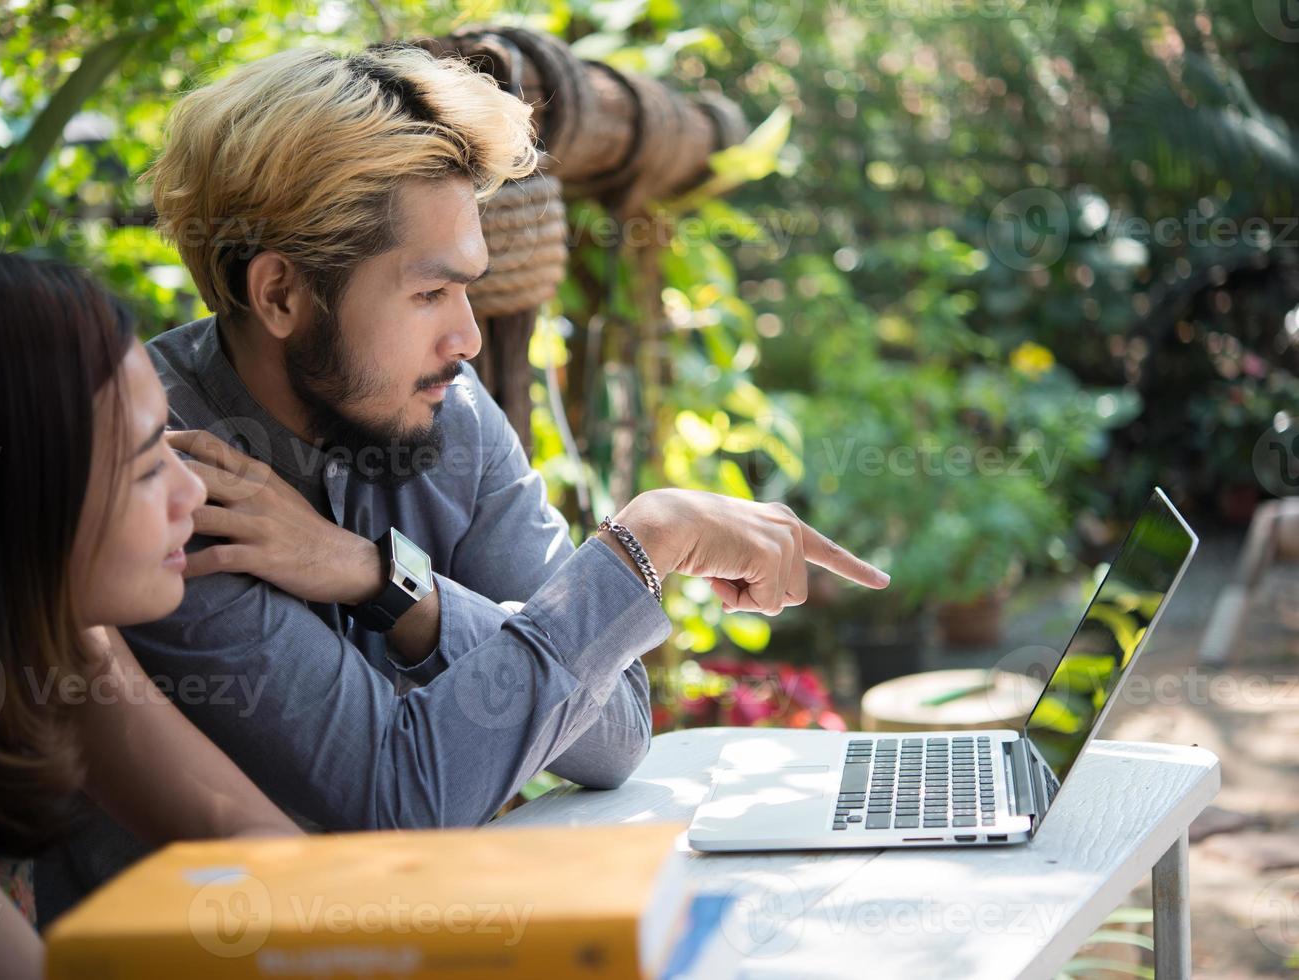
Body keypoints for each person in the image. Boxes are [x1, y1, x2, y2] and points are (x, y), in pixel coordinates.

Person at [45, 42, 890, 911]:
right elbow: (404, 795)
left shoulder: (446, 411)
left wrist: (382, 578)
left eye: (468, 291)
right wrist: (651, 542)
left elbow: (615, 734)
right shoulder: (167, 478)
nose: (468, 339)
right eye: (426, 295)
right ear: (282, 297)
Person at [0, 253, 300, 980]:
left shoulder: (45, 624)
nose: (190, 494)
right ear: (8, 502)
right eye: (146, 468)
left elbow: (237, 831)